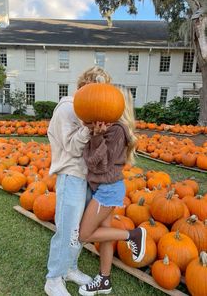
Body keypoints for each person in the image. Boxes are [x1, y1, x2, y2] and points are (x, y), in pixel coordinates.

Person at [44, 66, 112, 296]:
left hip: (87, 178)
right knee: (66, 230)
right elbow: (72, 148)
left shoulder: (94, 114)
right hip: (71, 176)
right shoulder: (66, 109)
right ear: (83, 88)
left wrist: (99, 132)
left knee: (80, 231)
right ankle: (53, 279)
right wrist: (88, 128)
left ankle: (69, 268)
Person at [78, 86, 147, 296]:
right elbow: (92, 161)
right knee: (105, 236)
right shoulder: (109, 127)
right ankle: (104, 279)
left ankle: (133, 235)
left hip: (108, 190)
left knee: (84, 234)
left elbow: (99, 165)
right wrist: (94, 132)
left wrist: (96, 138)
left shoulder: (117, 130)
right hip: (105, 189)